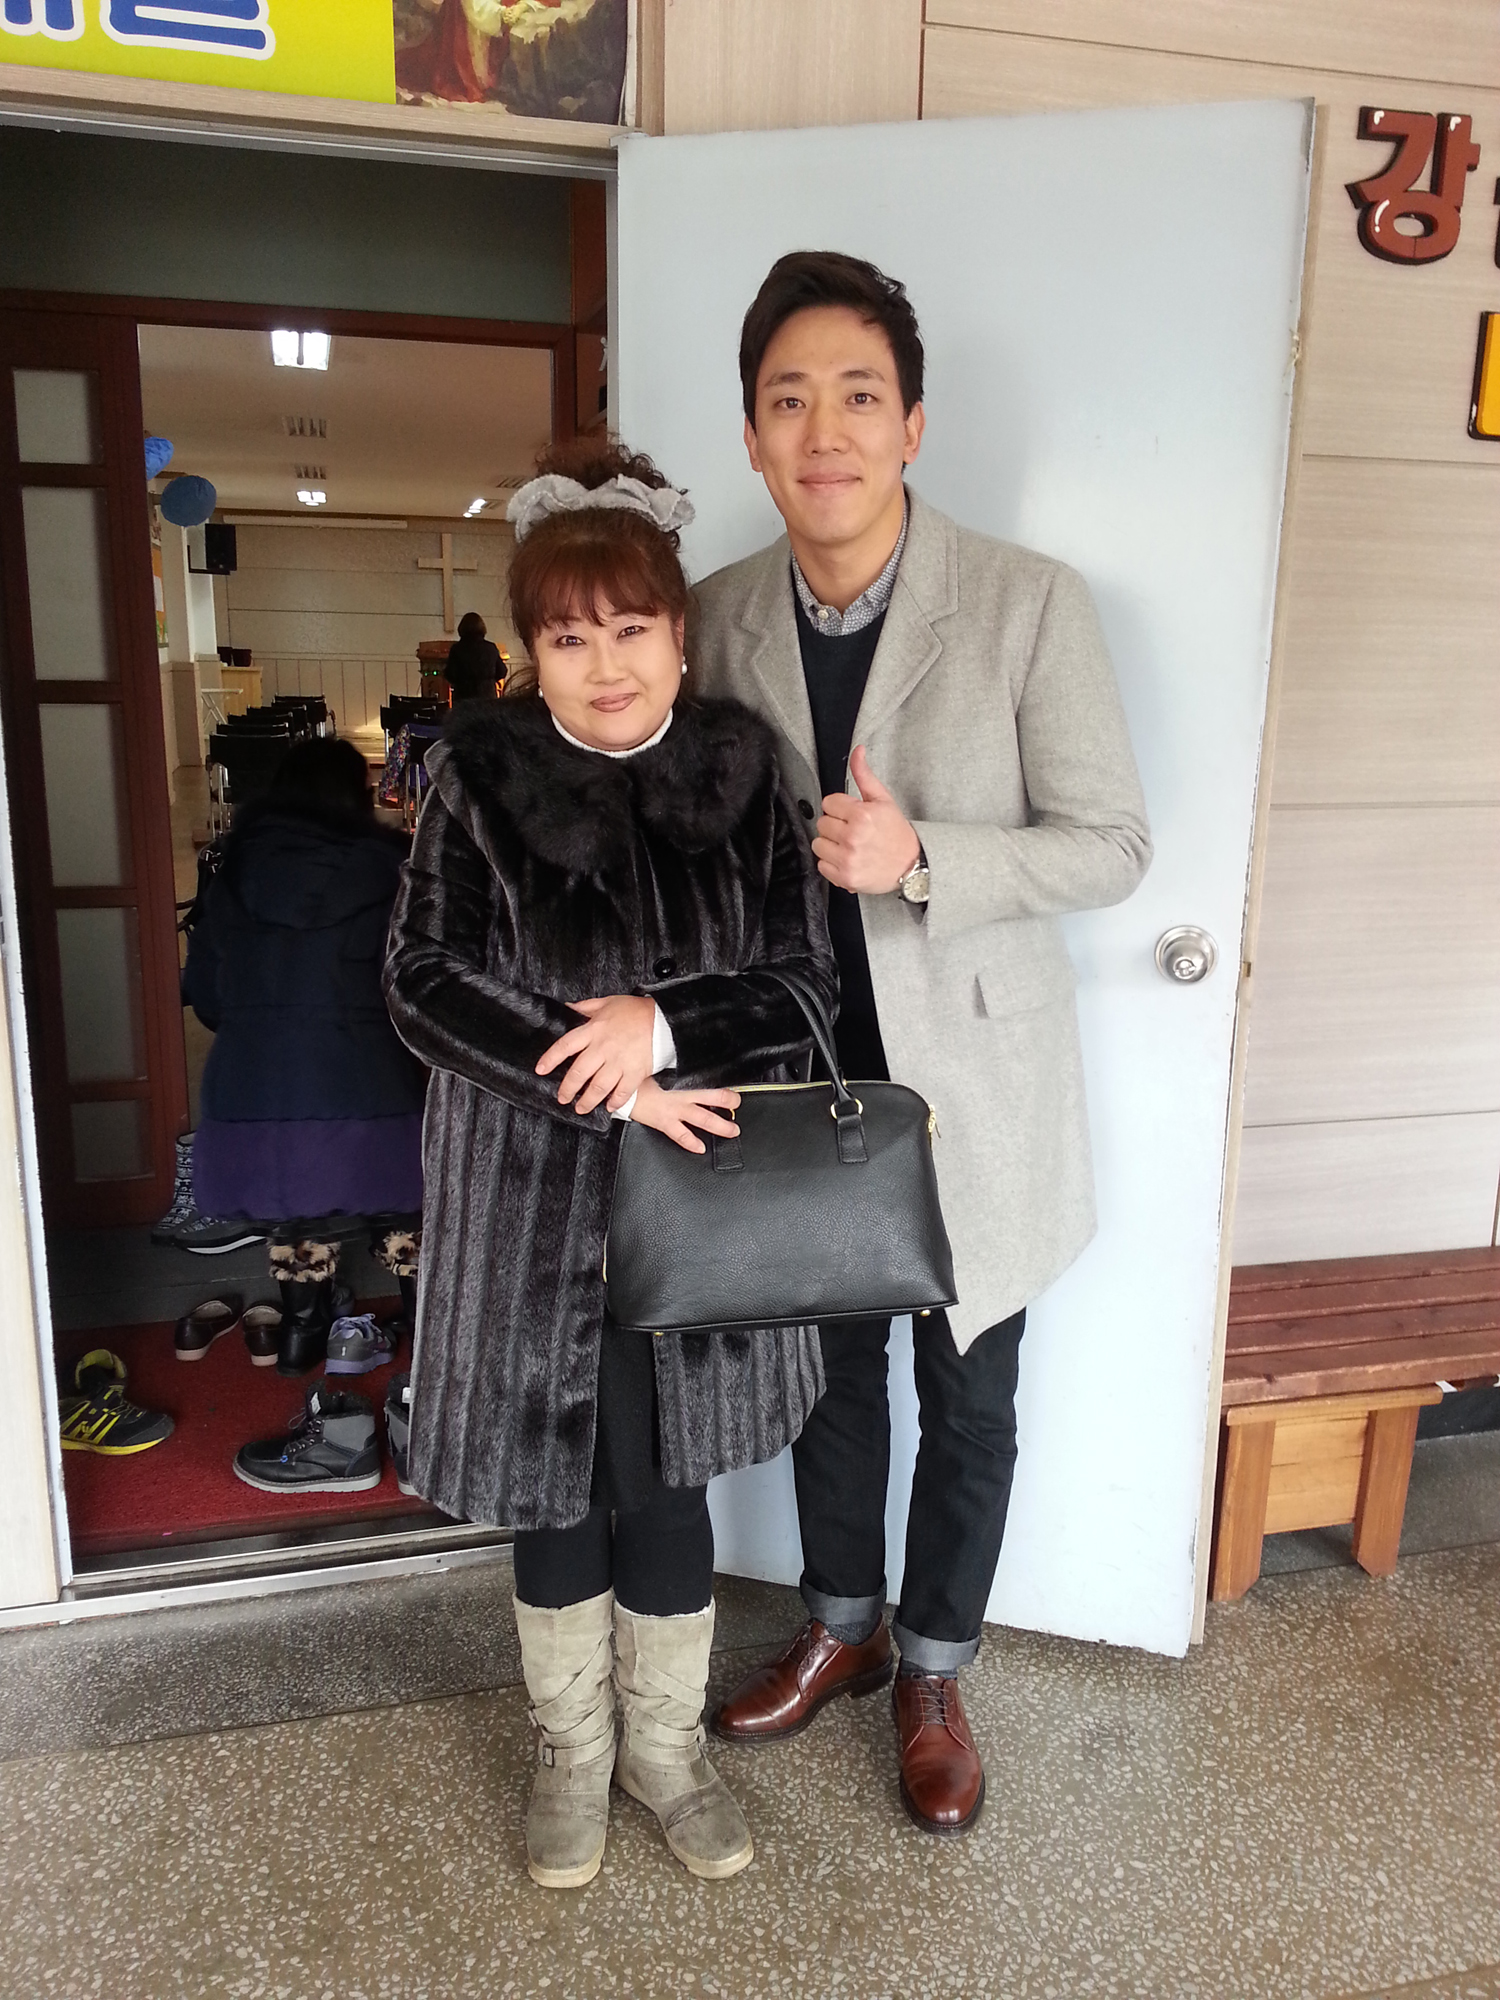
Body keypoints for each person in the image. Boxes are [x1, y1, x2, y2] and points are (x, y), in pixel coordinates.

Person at [696, 252, 1153, 1835]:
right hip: (798, 1083)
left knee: (968, 1395)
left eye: (858, 396)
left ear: (912, 426)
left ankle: (937, 1667)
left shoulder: (1028, 602)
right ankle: (842, 1626)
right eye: (788, 400)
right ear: (752, 437)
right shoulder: (714, 617)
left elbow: (1111, 845)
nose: (823, 432)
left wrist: (923, 859)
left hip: (975, 1084)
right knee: (829, 1382)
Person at [382, 438, 838, 1891]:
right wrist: (606, 1079)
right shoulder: (479, 778)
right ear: (533, 651)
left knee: (669, 1482)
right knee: (556, 1486)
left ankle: (667, 1750)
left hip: (698, 1210)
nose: (605, 665)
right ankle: (573, 1753)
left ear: (679, 634)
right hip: (528, 1206)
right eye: (569, 638)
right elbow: (420, 981)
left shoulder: (744, 773)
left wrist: (666, 1025)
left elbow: (803, 982)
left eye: (631, 628)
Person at [183, 736, 426, 1379]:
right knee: (408, 1198)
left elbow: (206, 995)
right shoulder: (394, 871)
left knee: (297, 1199)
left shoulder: (233, 872)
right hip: (373, 1092)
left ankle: (300, 1333)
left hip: (251, 1099)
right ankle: (427, 1328)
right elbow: (420, 993)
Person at [442, 609, 505, 705]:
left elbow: (450, 674)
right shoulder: (490, 648)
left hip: (464, 697)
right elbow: (502, 671)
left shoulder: (457, 649)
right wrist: (488, 681)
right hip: (487, 696)